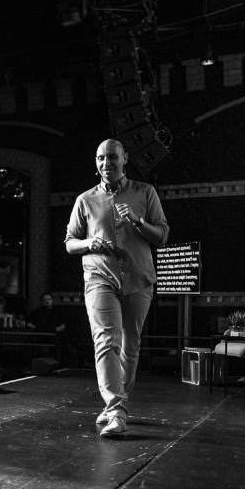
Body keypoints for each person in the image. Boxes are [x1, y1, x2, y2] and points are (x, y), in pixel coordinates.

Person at [65, 138, 169, 437]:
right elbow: (70, 242)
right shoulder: (85, 200)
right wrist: (88, 243)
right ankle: (117, 408)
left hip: (138, 278)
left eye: (112, 157)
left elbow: (161, 235)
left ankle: (117, 403)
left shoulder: (145, 192)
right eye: (100, 158)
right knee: (105, 340)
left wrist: (138, 222)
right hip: (100, 277)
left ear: (125, 159)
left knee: (130, 345)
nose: (105, 163)